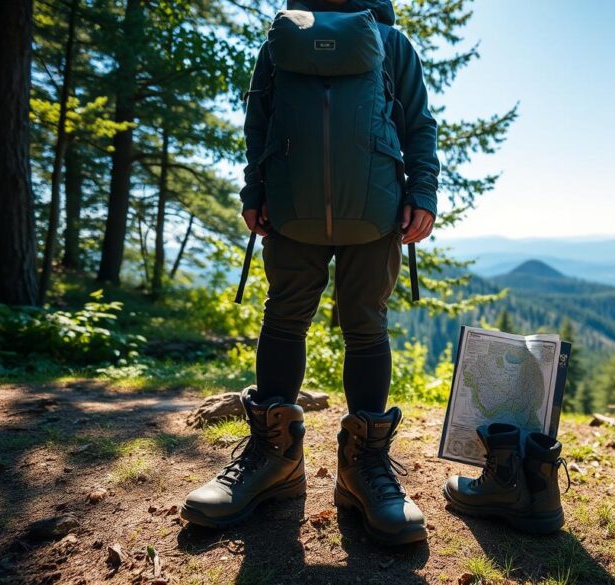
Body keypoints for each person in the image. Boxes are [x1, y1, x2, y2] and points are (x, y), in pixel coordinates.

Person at [180, 0, 439, 547]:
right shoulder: (371, 41)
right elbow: (416, 123)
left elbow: (416, 124)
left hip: (325, 204)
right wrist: (254, 190)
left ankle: (352, 469)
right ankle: (286, 465)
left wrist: (423, 191)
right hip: (358, 203)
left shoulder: (385, 44)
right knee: (341, 323)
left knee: (310, 320)